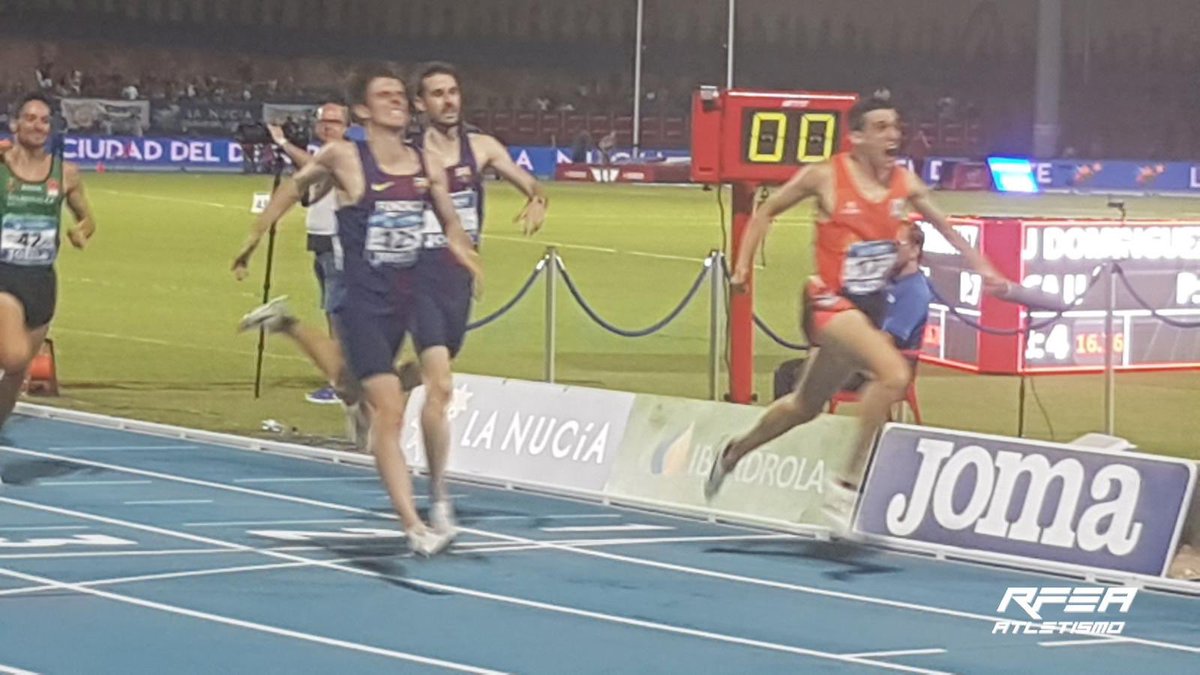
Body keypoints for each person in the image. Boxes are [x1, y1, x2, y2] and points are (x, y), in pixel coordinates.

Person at [704, 97, 1010, 530]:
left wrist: (981, 265)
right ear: (858, 137)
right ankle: (846, 488)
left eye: (895, 127)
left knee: (803, 405)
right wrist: (742, 267)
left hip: (865, 311)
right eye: (882, 127)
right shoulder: (826, 176)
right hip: (826, 304)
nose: (893, 135)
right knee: (894, 376)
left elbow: (946, 227)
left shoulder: (905, 183)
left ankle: (734, 451)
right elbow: (767, 211)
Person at [231, 64, 482, 556]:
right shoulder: (346, 155)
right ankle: (414, 526)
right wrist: (254, 236)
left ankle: (287, 324)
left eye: (400, 95)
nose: (398, 102)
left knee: (382, 382)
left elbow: (449, 216)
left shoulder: (422, 159)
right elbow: (293, 188)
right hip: (366, 303)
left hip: (415, 295)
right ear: (363, 110)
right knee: (387, 410)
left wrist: (462, 250)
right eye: (385, 96)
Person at [406, 61, 548, 533]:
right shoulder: (411, 155)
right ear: (420, 104)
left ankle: (378, 388)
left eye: (453, 91)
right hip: (418, 275)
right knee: (441, 387)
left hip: (459, 282)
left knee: (432, 371)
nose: (448, 101)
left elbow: (529, 182)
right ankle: (438, 495)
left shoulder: (482, 148)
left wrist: (536, 199)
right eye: (437, 94)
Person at [0, 93, 96, 430]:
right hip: (4, 275)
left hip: (41, 281)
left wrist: (80, 232)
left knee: (17, 373)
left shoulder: (66, 173)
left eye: (44, 120)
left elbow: (87, 219)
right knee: (12, 356)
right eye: (30, 118)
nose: (38, 125)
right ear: (15, 124)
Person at [268, 102, 351, 405]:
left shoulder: (344, 155)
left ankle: (341, 380)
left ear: (346, 126)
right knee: (333, 311)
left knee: (337, 313)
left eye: (335, 121)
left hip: (337, 241)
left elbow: (314, 168)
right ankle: (343, 375)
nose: (328, 126)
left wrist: (283, 143)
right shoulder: (325, 154)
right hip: (321, 240)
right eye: (324, 122)